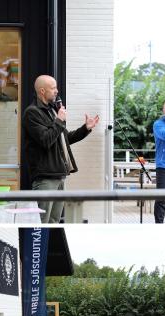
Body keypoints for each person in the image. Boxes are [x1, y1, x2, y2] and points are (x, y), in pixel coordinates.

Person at [23, 75, 99, 223]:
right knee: (41, 223)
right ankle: (41, 247)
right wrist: (59, 120)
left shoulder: (52, 111)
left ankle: (50, 247)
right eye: (53, 88)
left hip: (59, 175)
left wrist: (85, 129)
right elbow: (45, 140)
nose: (57, 91)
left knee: (54, 222)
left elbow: (64, 139)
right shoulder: (32, 113)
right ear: (42, 91)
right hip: (45, 177)